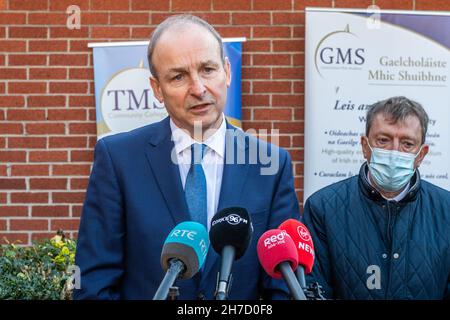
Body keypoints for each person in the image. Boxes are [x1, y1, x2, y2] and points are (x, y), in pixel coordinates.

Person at [73, 14, 300, 300]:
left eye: (207, 69)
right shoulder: (118, 160)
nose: (198, 88)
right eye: (178, 76)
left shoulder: (272, 164)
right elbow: (94, 283)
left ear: (227, 72)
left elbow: (282, 285)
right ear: (157, 89)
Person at [302, 96, 450, 299]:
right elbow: (313, 289)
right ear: (365, 145)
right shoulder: (322, 208)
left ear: (421, 154)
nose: (394, 151)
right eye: (383, 140)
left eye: (407, 143)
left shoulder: (446, 210)